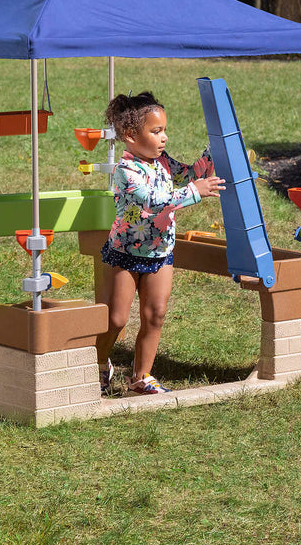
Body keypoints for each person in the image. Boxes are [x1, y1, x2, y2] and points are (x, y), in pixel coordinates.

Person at [96, 91, 224, 395]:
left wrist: (214, 151)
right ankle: (99, 364)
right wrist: (195, 190)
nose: (164, 137)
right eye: (156, 131)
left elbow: (193, 174)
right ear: (130, 135)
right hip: (125, 253)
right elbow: (155, 201)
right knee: (116, 319)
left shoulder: (163, 162)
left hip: (160, 253)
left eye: (164, 130)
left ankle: (141, 376)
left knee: (155, 315)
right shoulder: (125, 172)